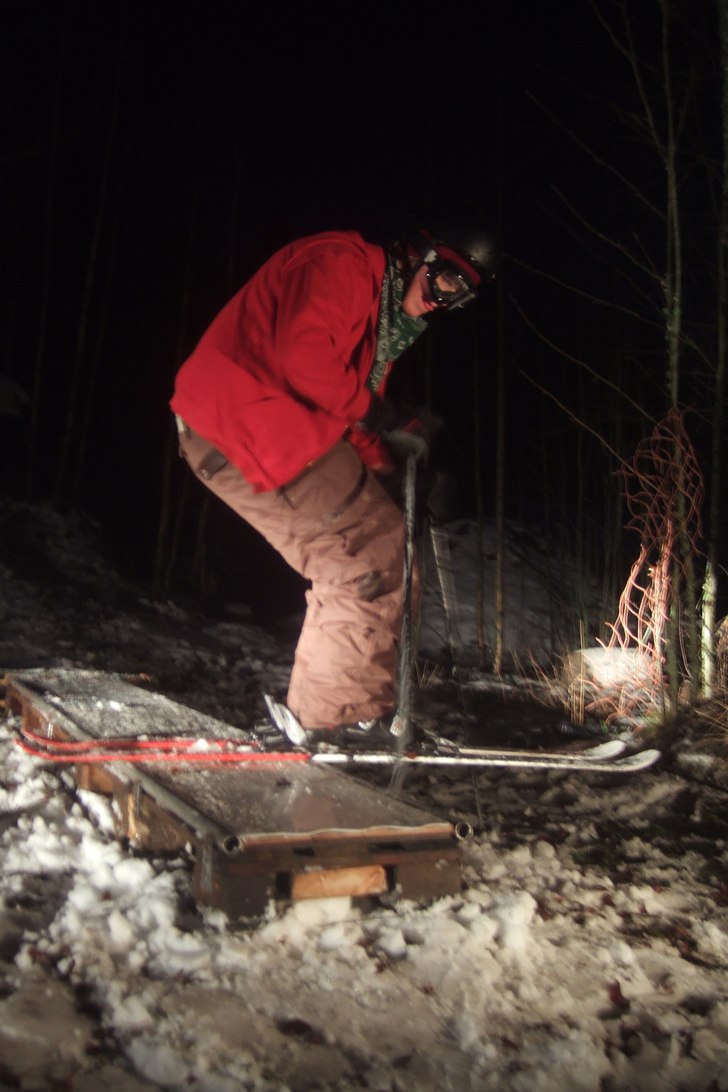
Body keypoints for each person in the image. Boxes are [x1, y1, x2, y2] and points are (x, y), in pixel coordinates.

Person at [170, 214, 497, 748]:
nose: (443, 301)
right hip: (245, 419)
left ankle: (359, 709)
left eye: (460, 297)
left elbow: (352, 412)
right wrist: (390, 418)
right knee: (366, 558)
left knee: (390, 554)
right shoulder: (342, 263)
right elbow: (304, 362)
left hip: (282, 430)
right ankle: (333, 718)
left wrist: (395, 469)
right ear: (420, 254)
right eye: (446, 280)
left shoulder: (380, 331)